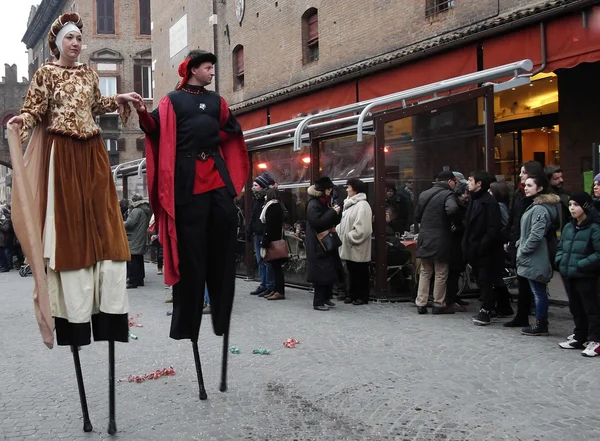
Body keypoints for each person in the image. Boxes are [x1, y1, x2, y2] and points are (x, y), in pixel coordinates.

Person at [6, 12, 142, 434]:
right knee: (70, 223)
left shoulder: (86, 74)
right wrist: (20, 123)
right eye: (70, 37)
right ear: (57, 43)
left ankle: (104, 266)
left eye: (80, 37)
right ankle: (73, 269)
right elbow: (34, 111)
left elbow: (96, 105)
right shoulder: (45, 74)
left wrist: (121, 100)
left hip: (93, 152)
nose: (77, 43)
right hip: (63, 154)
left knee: (105, 221)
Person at [135, 49, 249, 399]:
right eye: (208, 67)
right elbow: (153, 128)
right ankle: (188, 323)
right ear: (193, 70)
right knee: (191, 257)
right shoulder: (171, 100)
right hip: (186, 182)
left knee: (225, 241)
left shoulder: (218, 102)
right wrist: (141, 111)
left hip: (214, 177)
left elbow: (232, 132)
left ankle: (222, 311)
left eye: (214, 66)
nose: (213, 71)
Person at [555, 192, 600, 356]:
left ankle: (595, 340)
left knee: (591, 308)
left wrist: (582, 265)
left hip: (586, 275)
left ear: (585, 207)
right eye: (570, 204)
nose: (572, 208)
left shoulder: (595, 228)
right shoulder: (569, 226)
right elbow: (560, 247)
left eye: (576, 205)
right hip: (569, 274)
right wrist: (560, 261)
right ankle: (580, 336)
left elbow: (598, 253)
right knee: (575, 307)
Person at [516, 175, 560, 336]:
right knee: (538, 290)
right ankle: (541, 323)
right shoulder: (537, 205)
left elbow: (536, 234)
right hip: (534, 253)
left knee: (538, 291)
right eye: (525, 185)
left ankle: (541, 323)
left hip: (536, 255)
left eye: (529, 185)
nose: (525, 188)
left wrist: (523, 249)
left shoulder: (540, 208)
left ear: (539, 188)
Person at [504, 160, 544, 328]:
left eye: (523, 172)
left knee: (534, 285)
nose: (520, 175)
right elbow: (514, 218)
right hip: (517, 241)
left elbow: (536, 229)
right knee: (522, 282)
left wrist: (524, 245)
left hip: (529, 246)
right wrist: (510, 240)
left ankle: (540, 320)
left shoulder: (539, 201)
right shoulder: (519, 194)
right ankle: (522, 315)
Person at [414, 170, 459, 314]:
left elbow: (417, 215)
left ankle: (421, 303)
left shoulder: (424, 194)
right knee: (441, 272)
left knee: (425, 271)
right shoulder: (448, 194)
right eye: (454, 181)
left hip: (425, 237)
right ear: (449, 181)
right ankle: (438, 303)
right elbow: (452, 209)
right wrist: (453, 222)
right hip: (441, 237)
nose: (455, 184)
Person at [462, 171, 503, 326]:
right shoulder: (474, 200)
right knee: (481, 279)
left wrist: (481, 246)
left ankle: (486, 309)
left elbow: (493, 229)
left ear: (479, 183)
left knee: (486, 280)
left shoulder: (489, 203)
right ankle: (490, 307)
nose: (468, 182)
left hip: (486, 250)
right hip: (475, 248)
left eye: (471, 180)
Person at [306, 176, 342, 311]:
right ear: (322, 190)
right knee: (321, 272)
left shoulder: (324, 202)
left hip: (326, 240)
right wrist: (333, 211)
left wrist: (336, 212)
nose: (330, 191)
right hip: (318, 242)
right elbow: (317, 223)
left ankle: (326, 298)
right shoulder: (313, 204)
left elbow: (331, 221)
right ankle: (318, 302)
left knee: (329, 270)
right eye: (329, 188)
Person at [337, 179, 373, 305]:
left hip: (357, 245)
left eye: (349, 187)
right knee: (352, 271)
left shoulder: (362, 205)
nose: (347, 189)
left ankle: (361, 296)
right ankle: (352, 294)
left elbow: (363, 228)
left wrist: (350, 237)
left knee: (360, 271)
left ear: (355, 189)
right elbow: (345, 223)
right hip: (349, 244)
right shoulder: (350, 204)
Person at [247, 173, 275, 297]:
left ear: (262, 186)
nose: (253, 187)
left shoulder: (267, 199)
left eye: (256, 185)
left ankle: (269, 285)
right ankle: (263, 284)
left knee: (266, 261)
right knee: (260, 260)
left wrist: (265, 233)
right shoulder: (257, 199)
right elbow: (254, 217)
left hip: (264, 234)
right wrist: (249, 229)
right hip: (257, 234)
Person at [488, 180, 514, 317]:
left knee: (496, 278)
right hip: (498, 245)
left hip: (499, 246)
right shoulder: (499, 205)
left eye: (491, 191)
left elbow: (505, 225)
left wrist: (504, 241)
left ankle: (504, 305)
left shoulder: (499, 207)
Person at [260, 188, 287, 300]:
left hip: (273, 240)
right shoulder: (278, 206)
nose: (265, 197)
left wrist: (265, 240)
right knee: (276, 267)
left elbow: (270, 226)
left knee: (276, 268)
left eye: (266, 195)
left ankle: (279, 291)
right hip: (275, 238)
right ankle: (276, 290)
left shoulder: (272, 207)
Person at [124, 194, 151, 289]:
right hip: (140, 237)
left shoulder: (136, 210)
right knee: (139, 259)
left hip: (134, 238)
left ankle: (132, 281)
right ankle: (140, 279)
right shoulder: (145, 210)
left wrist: (121, 223)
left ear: (134, 200)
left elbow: (130, 224)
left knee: (132, 259)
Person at [545, 165, 570, 232]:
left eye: (561, 177)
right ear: (548, 180)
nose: (561, 180)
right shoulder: (544, 197)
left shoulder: (566, 193)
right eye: (556, 179)